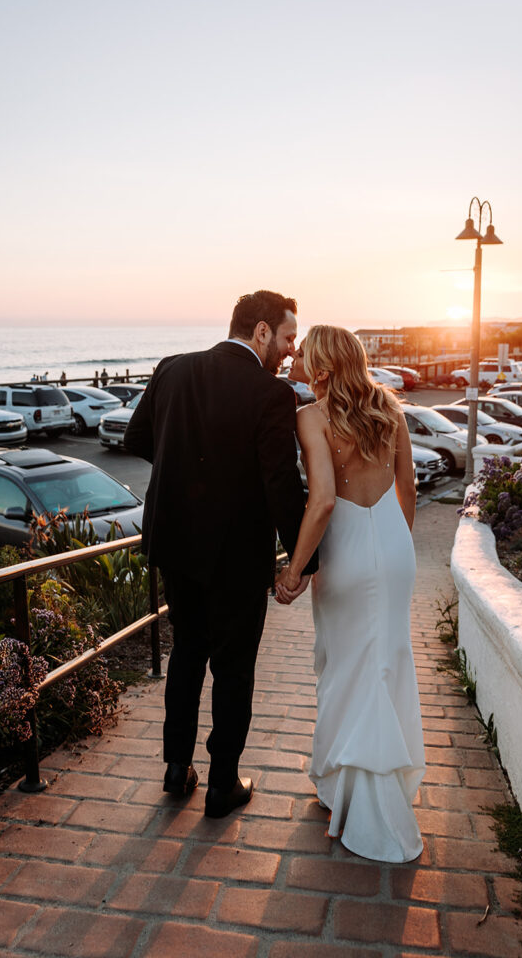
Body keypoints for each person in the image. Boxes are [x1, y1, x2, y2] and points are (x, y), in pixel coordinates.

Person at [124, 290, 317, 818]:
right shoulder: (271, 395)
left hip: (175, 544)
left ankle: (175, 768)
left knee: (186, 654)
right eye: (286, 338)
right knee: (234, 670)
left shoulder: (172, 368)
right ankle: (222, 784)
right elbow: (281, 484)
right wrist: (305, 563)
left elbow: (138, 437)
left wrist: (188, 474)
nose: (288, 351)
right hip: (237, 555)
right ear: (260, 332)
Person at [275, 326, 425, 862]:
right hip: (393, 543)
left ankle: (359, 802)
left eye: (304, 355)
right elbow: (406, 488)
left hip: (346, 552)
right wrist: (393, 545)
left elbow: (321, 504)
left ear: (321, 366)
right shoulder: (388, 406)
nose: (294, 359)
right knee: (383, 663)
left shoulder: (310, 417)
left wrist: (294, 572)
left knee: (345, 668)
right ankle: (349, 787)